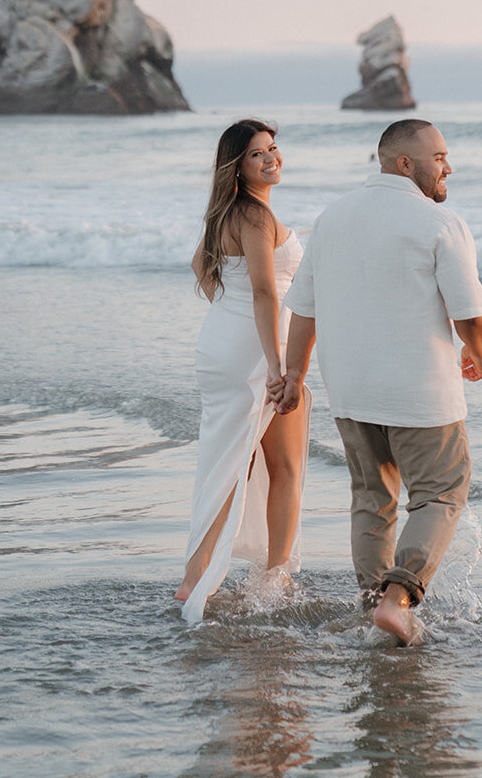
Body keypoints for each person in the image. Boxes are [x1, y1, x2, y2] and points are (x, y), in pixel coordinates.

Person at [273, 118, 482, 644]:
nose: (449, 166)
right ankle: (397, 601)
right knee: (441, 493)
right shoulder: (439, 223)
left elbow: (303, 307)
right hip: (420, 392)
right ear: (404, 164)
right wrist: (477, 353)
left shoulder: (333, 218)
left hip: (351, 390)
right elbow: (469, 311)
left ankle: (373, 607)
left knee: (373, 498)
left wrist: (295, 375)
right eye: (440, 157)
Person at [175, 119, 311, 623]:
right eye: (257, 154)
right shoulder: (254, 216)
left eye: (274, 148)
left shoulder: (225, 214)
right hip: (258, 351)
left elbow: (199, 268)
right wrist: (280, 365)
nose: (271, 158)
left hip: (226, 344)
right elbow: (264, 291)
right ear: (238, 166)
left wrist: (225, 311)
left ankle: (251, 573)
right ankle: (247, 577)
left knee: (239, 460)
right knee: (268, 466)